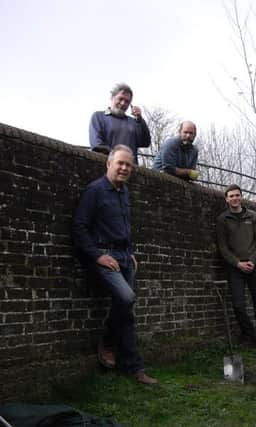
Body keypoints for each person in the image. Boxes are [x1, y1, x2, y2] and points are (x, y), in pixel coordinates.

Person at [72, 145, 158, 385]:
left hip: (124, 257)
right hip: (105, 257)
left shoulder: (124, 192)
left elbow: (125, 227)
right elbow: (79, 227)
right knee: (127, 298)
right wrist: (97, 256)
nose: (124, 168)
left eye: (128, 165)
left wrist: (130, 252)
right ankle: (108, 341)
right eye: (120, 163)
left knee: (128, 314)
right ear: (108, 164)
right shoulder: (95, 190)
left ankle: (134, 368)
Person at [216, 184, 256, 354]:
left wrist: (253, 261)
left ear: (241, 196)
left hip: (255, 266)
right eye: (231, 196)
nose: (235, 198)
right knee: (238, 306)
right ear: (226, 199)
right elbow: (222, 246)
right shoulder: (223, 220)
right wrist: (237, 263)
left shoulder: (253, 217)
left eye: (237, 195)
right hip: (235, 268)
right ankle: (250, 335)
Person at [89, 83, 151, 165]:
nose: (123, 103)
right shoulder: (98, 116)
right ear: (112, 97)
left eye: (127, 101)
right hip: (105, 167)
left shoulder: (134, 122)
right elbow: (97, 145)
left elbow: (145, 142)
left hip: (130, 170)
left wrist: (140, 120)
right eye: (120, 99)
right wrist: (120, 159)